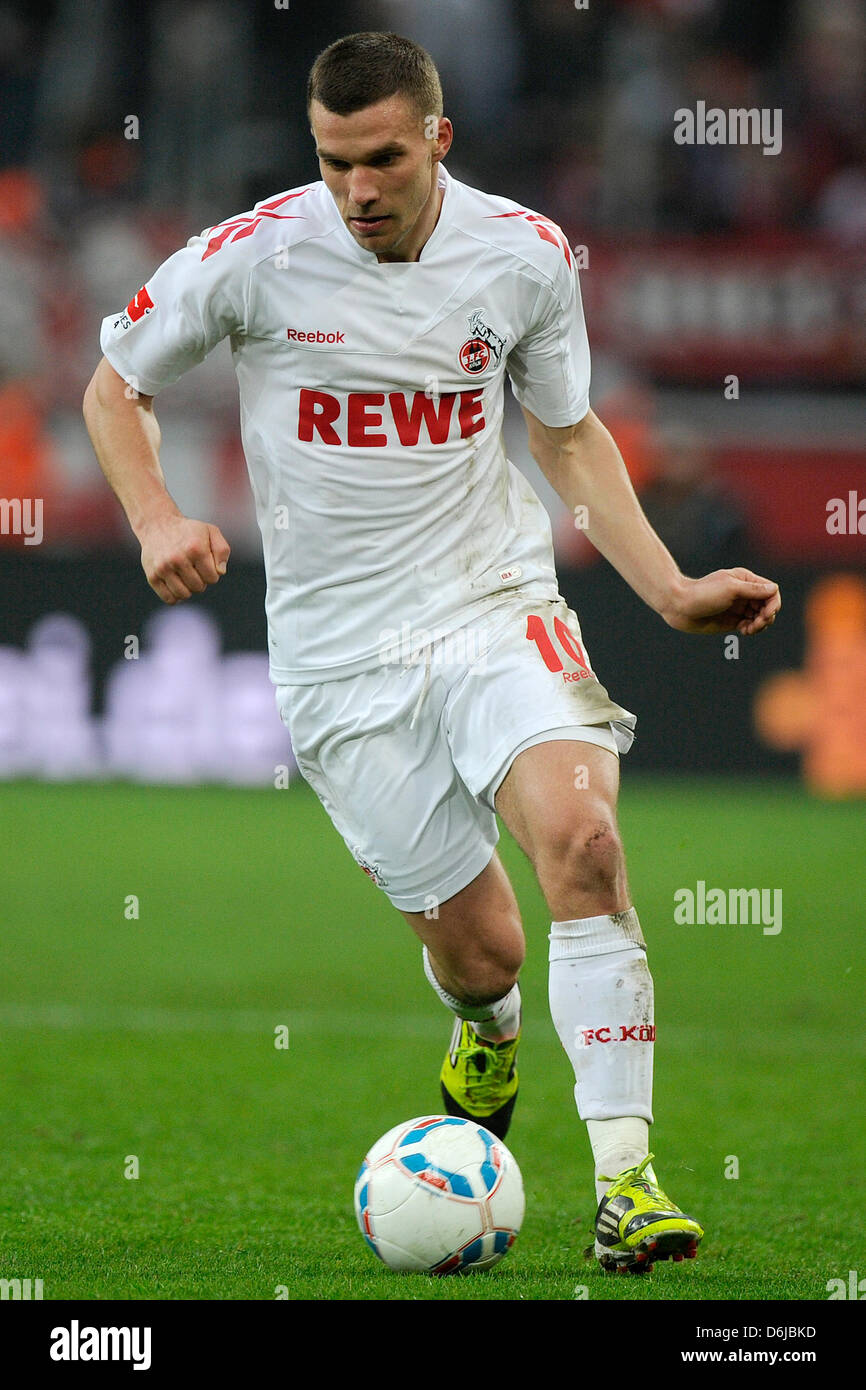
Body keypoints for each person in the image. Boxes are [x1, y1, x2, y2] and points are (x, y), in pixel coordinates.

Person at [83, 31, 780, 1276]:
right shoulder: (255, 255)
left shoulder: (520, 256)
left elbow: (565, 438)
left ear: (437, 141)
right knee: (480, 951)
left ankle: (627, 1180)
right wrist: (155, 519)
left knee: (584, 840)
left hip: (488, 602)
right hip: (339, 662)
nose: (358, 188)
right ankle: (489, 1030)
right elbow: (112, 384)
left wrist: (668, 585)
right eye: (335, 160)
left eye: (383, 159)